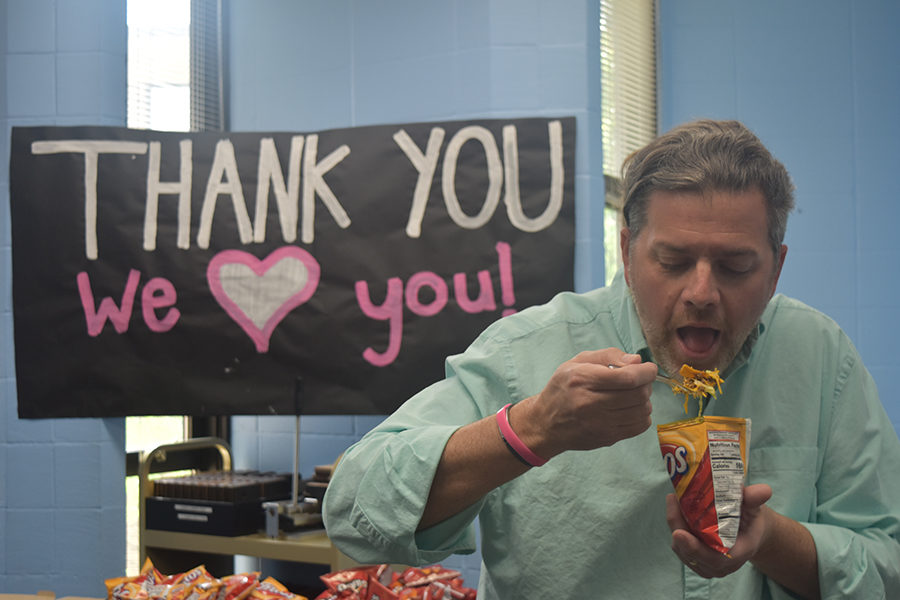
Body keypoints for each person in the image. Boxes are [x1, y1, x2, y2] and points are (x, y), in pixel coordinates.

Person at [322, 119, 900, 599]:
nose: (701, 292)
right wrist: (529, 430)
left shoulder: (821, 359)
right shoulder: (526, 351)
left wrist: (771, 538)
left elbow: (887, 562)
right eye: (673, 260)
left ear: (775, 268)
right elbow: (354, 510)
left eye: (736, 267)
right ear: (626, 251)